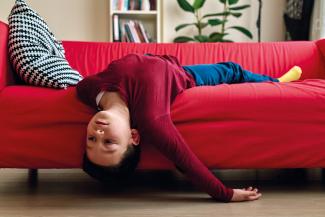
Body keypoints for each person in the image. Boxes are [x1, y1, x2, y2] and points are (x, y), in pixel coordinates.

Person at [76, 53, 302, 202]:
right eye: (109, 142)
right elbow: (183, 158)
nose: (98, 133)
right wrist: (225, 194)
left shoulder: (86, 90)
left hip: (168, 61)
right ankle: (277, 83)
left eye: (91, 140)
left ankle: (275, 81)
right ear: (134, 136)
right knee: (232, 70)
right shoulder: (151, 118)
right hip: (185, 76)